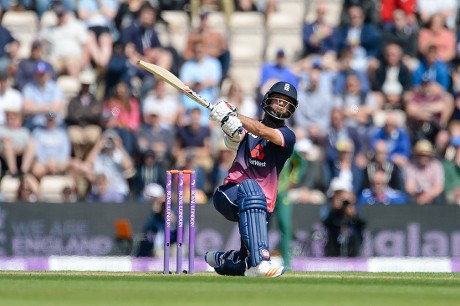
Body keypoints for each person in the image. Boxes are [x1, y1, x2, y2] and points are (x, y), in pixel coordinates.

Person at [204, 81, 298, 277]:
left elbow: (261, 131)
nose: (281, 104)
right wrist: (227, 123)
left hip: (261, 206)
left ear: (291, 109)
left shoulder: (287, 136)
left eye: (286, 103)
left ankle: (223, 259)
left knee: (244, 265)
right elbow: (232, 141)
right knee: (250, 188)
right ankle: (262, 262)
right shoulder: (247, 128)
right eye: (278, 100)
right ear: (267, 101)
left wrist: (234, 114)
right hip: (230, 193)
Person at [322, 177, 366, 257]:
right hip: (333, 244)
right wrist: (335, 210)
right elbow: (325, 222)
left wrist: (353, 214)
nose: (340, 198)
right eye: (337, 195)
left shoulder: (354, 205)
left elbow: (363, 224)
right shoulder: (329, 207)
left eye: (342, 194)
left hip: (353, 246)